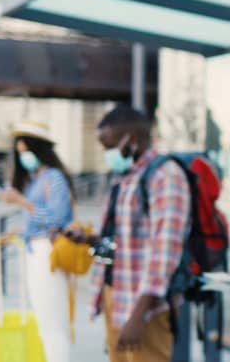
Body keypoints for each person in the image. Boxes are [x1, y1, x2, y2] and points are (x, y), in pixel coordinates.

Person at [69, 105, 190, 362]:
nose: (106, 154)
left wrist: (138, 315)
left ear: (131, 140)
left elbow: (165, 251)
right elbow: (121, 242)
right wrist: (91, 241)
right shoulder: (123, 179)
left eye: (109, 146)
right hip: (117, 293)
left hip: (145, 305)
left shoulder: (165, 176)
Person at [0, 122, 75, 362]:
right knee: (44, 320)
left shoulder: (54, 178)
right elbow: (36, 222)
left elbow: (56, 219)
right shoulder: (35, 179)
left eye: (25, 151)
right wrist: (16, 233)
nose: (23, 157)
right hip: (34, 251)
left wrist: (21, 201)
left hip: (49, 253)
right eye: (19, 152)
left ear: (39, 149)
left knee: (54, 324)